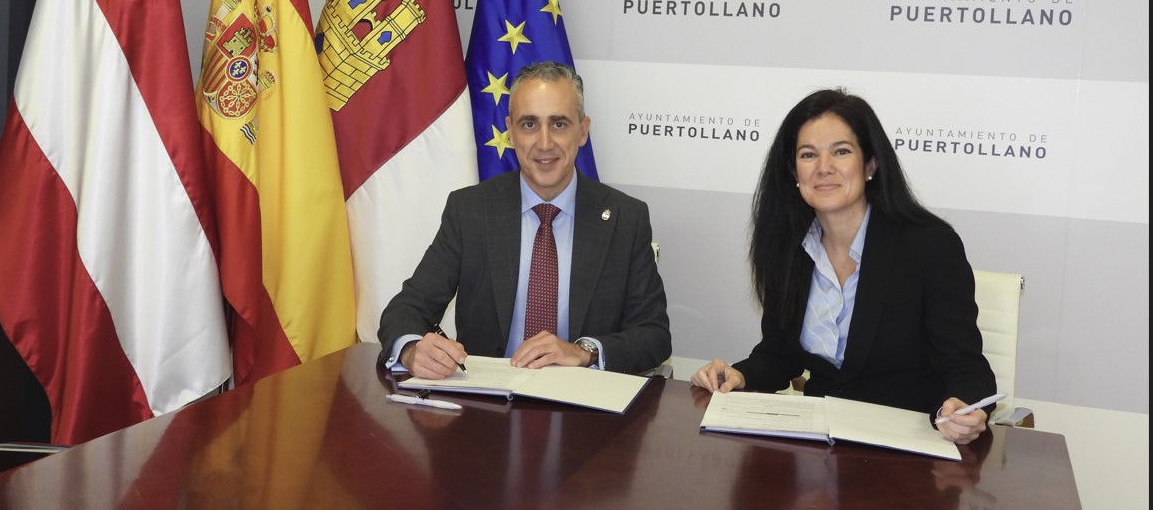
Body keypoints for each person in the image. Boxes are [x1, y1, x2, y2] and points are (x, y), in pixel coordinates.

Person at [691, 88, 997, 444]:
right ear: (794, 170)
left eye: (841, 151)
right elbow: (779, 355)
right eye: (808, 155)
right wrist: (738, 375)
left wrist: (963, 407)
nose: (824, 168)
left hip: (904, 445)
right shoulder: (788, 245)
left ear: (870, 164)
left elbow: (967, 368)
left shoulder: (929, 246)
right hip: (818, 444)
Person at [377, 60, 671, 378]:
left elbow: (654, 335)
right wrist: (410, 350)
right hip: (486, 408)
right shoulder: (471, 210)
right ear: (511, 131)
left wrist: (585, 352)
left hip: (586, 412)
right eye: (529, 124)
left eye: (559, 124)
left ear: (583, 131)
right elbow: (407, 308)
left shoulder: (625, 218)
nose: (544, 143)